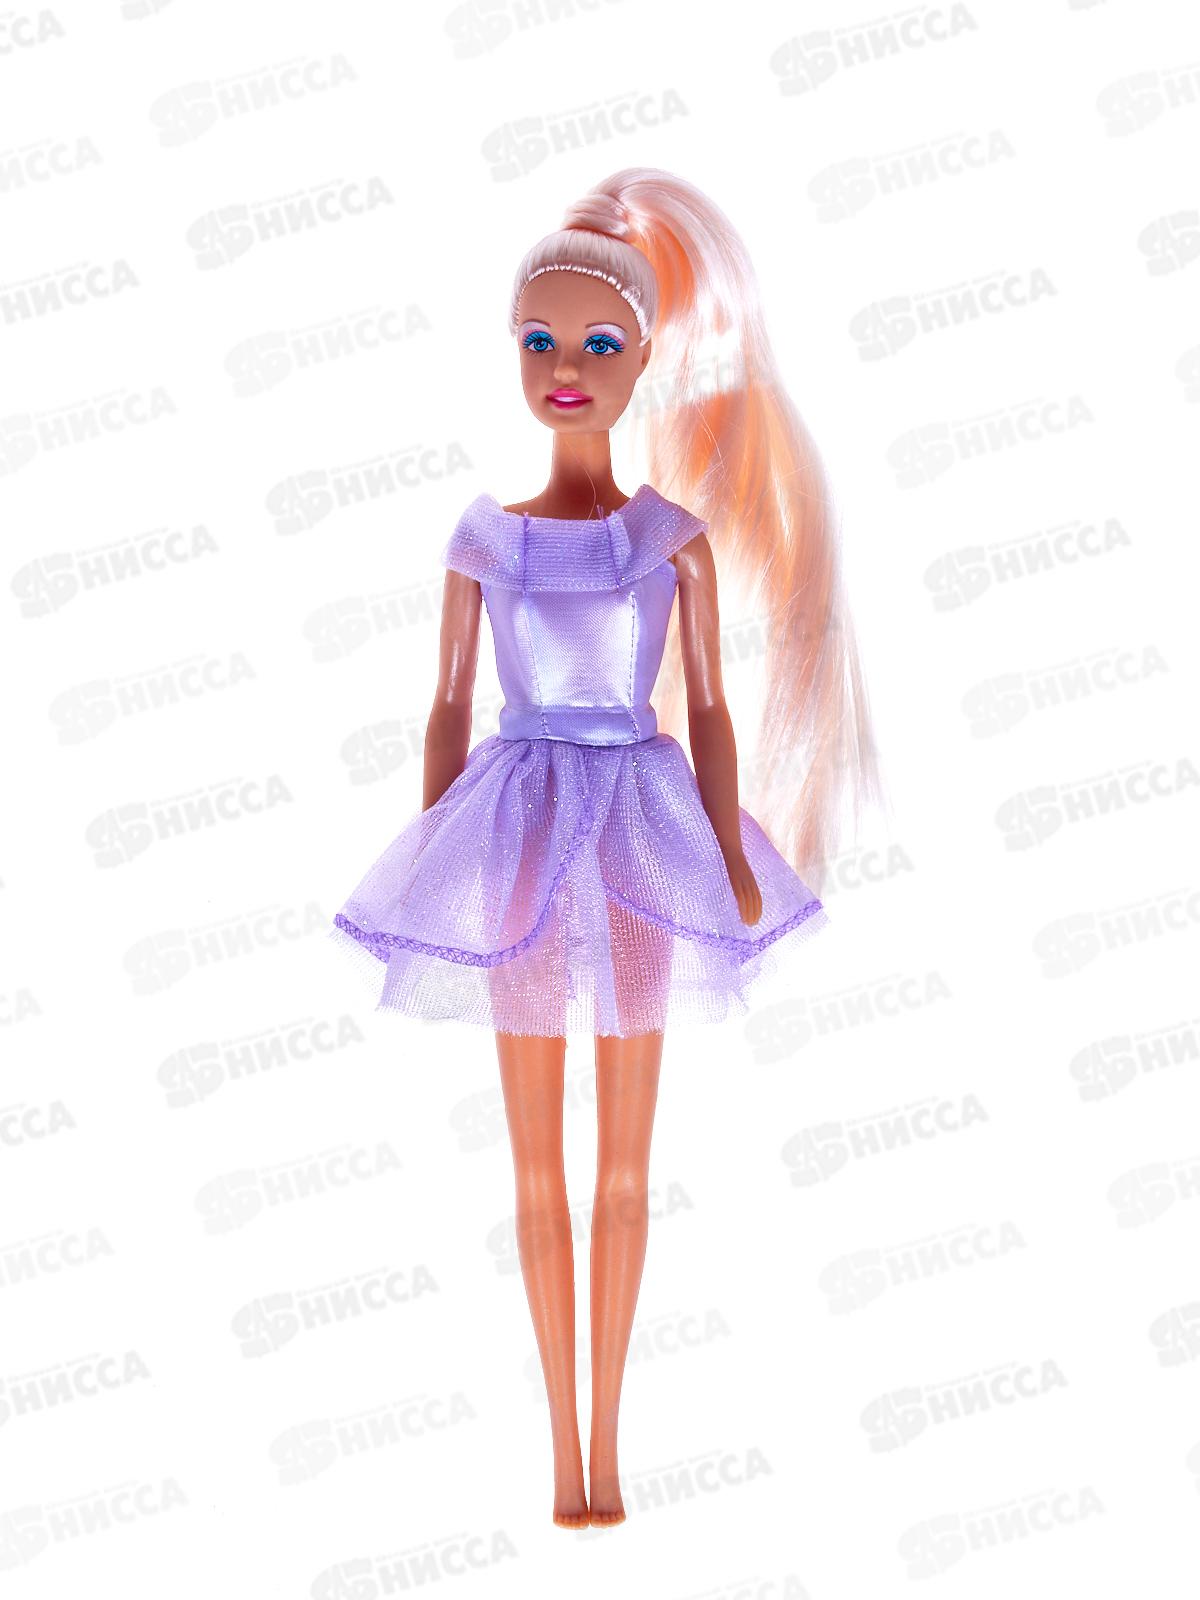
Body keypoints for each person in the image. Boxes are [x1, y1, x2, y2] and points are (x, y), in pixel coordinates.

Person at [329, 167, 880, 1528]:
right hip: (516, 834)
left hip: (638, 829)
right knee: (536, 1170)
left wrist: (732, 856)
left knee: (623, 1169)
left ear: (642, 364)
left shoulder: (670, 543)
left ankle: (608, 1456)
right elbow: (447, 708)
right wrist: (432, 854)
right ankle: (559, 1459)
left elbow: (708, 710)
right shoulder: (483, 541)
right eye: (540, 342)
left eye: (595, 346)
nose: (565, 370)